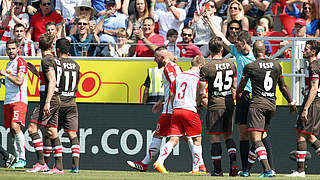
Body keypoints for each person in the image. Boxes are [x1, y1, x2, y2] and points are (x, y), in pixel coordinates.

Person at [203, 18, 276, 175]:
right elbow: (221, 39)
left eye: (237, 42)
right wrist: (209, 21)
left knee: (261, 134)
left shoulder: (255, 57)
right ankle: (245, 169)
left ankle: (270, 166)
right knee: (243, 133)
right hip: (242, 97)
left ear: (244, 42)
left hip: (255, 97)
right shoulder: (236, 52)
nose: (234, 44)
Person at [127, 47, 204, 172]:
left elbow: (175, 85)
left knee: (161, 136)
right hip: (175, 106)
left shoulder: (169, 68)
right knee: (187, 136)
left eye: (156, 57)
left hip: (171, 109)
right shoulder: (173, 67)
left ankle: (149, 163)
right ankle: (199, 165)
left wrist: (172, 104)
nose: (154, 59)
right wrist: (161, 100)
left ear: (163, 57)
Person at [237, 40, 296, 177]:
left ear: (253, 50)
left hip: (257, 104)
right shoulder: (276, 64)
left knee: (256, 139)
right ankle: (246, 170)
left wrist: (239, 93)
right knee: (260, 135)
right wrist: (291, 102)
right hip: (271, 105)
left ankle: (267, 170)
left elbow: (242, 84)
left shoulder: (250, 66)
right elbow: (283, 86)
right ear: (265, 51)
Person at [153, 55, 207, 174]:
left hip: (176, 109)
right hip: (190, 109)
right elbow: (202, 95)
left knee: (173, 139)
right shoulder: (199, 77)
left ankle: (160, 161)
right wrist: (201, 106)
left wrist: (174, 106)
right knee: (197, 139)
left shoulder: (180, 75)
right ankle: (196, 168)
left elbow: (172, 94)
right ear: (201, 65)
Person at [198, 37, 238, 176]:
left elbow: (201, 91)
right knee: (228, 136)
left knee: (215, 138)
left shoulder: (206, 67)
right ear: (222, 49)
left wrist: (200, 103)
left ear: (210, 49)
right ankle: (234, 165)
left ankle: (217, 170)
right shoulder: (231, 64)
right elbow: (234, 87)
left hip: (215, 103)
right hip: (228, 103)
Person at [26, 33, 64, 174]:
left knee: (32, 128)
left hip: (49, 99)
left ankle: (41, 163)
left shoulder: (46, 60)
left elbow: (53, 81)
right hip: (56, 97)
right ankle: (59, 167)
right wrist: (37, 73)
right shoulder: (55, 60)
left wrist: (47, 102)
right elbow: (52, 80)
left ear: (38, 45)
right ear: (51, 45)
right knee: (52, 131)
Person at [43, 38, 81, 174]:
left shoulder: (56, 63)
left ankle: (46, 164)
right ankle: (75, 166)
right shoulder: (76, 65)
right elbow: (77, 83)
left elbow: (53, 82)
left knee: (50, 132)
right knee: (72, 134)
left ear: (57, 50)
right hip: (72, 102)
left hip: (59, 101)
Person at [286, 40, 320, 177]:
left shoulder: (314, 66)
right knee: (310, 137)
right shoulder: (312, 65)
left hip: (313, 103)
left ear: (313, 52)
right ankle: (300, 170)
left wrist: (305, 108)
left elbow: (314, 88)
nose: (303, 51)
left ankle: (300, 171)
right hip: (314, 102)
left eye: (306, 49)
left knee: (301, 133)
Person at [0, 39, 28, 168]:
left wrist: (5, 74)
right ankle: (17, 159)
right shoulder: (8, 64)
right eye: (9, 49)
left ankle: (22, 158)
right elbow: (11, 82)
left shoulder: (20, 62)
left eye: (13, 49)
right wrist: (3, 80)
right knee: (12, 130)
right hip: (8, 100)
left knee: (15, 126)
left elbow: (19, 81)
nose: (11, 51)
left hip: (19, 99)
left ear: (18, 49)